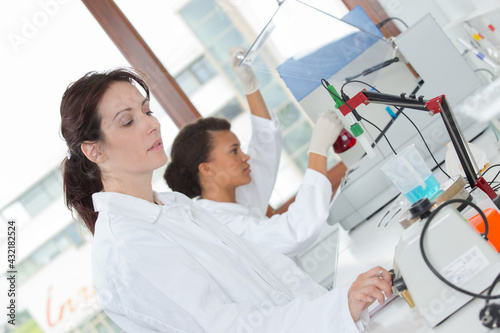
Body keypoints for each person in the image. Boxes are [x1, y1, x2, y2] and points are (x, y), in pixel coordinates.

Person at [60, 67, 392, 332]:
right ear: (95, 150)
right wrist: (337, 310)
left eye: (147, 111)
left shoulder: (174, 206)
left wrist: (342, 304)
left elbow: (270, 272)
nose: (152, 124)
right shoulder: (128, 246)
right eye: (128, 120)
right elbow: (229, 326)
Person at [165, 46, 343, 257]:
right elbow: (294, 233)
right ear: (206, 169)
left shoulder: (237, 197)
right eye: (234, 151)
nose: (245, 156)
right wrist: (318, 151)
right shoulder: (220, 225)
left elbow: (265, 142)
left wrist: (249, 85)